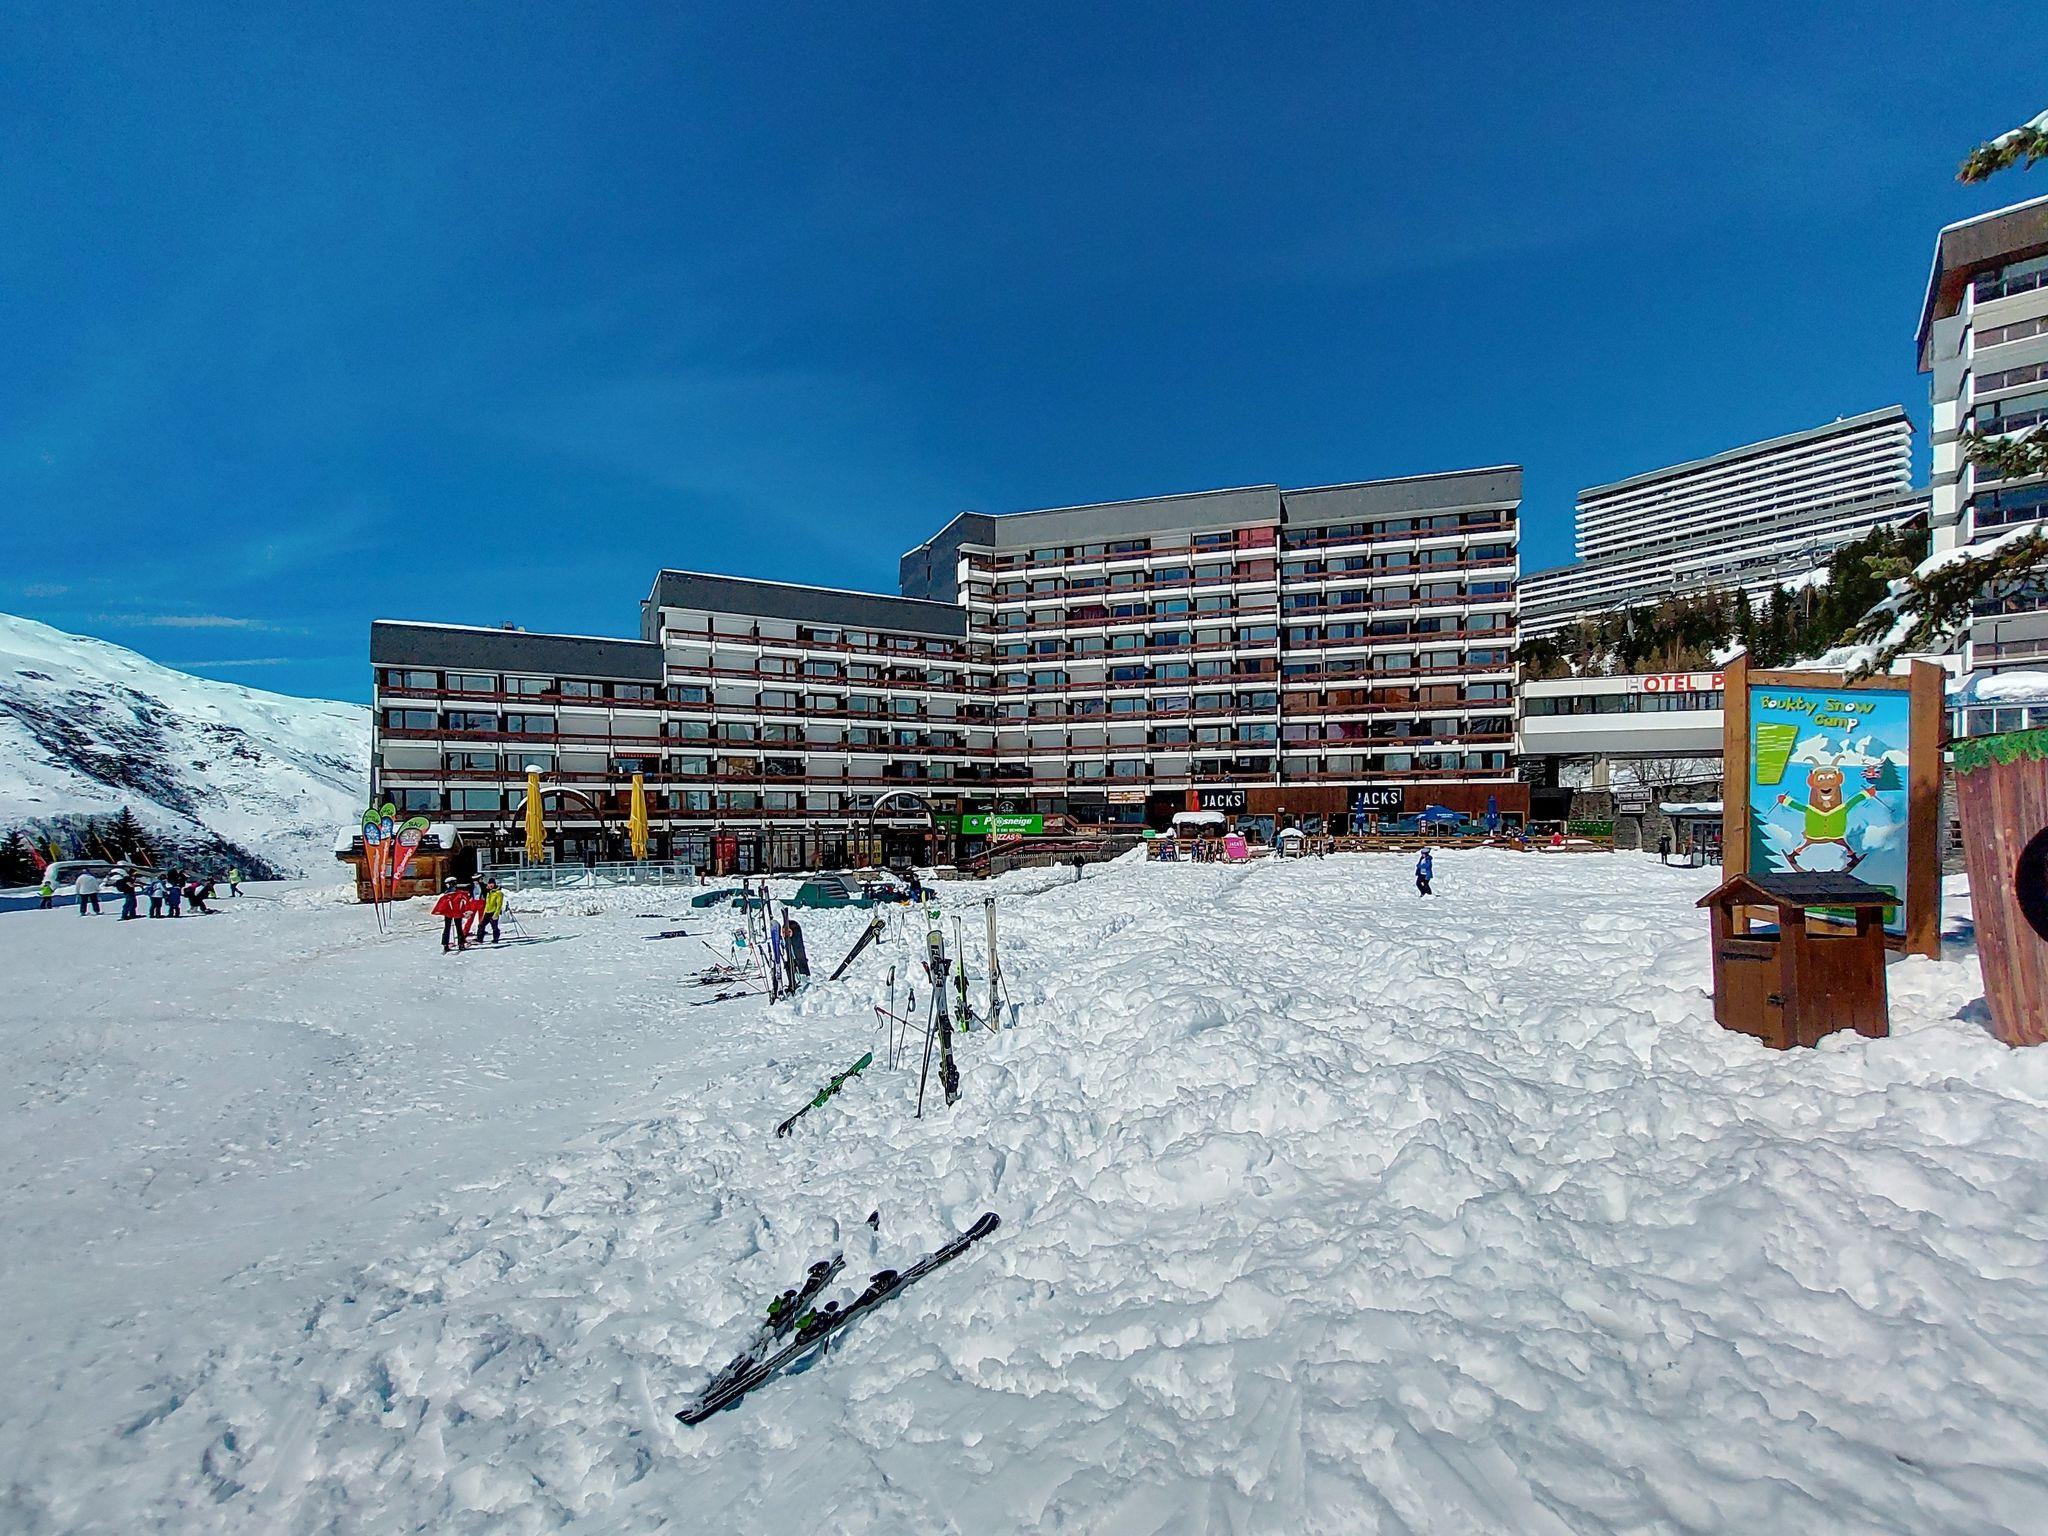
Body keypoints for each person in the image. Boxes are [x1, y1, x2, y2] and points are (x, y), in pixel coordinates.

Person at [432, 878, 472, 952]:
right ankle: (461, 944)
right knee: (459, 928)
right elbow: (466, 902)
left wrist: (439, 911)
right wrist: (467, 911)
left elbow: (442, 904)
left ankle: (445, 944)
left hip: (448, 913)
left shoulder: (446, 895)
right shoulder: (460, 894)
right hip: (457, 913)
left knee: (447, 928)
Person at [475, 879, 505, 944]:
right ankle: (479, 939)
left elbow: (499, 905)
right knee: (481, 925)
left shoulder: (498, 893)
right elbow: (487, 903)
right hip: (487, 912)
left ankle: (495, 939)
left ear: (494, 884)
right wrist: (484, 912)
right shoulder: (489, 892)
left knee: (494, 927)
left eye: (492, 884)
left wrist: (496, 914)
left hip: (493, 912)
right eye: (489, 884)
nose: (490, 885)